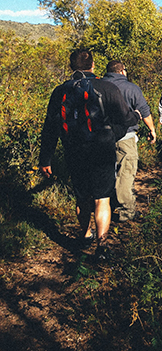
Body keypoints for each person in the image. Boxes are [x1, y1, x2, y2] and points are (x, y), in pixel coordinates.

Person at [39, 49, 139, 260]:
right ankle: (102, 246)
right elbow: (126, 119)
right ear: (93, 65)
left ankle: (85, 235)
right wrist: (115, 133)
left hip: (74, 151)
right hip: (102, 150)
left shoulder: (60, 92)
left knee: (82, 198)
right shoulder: (107, 87)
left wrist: (45, 159)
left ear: (71, 67)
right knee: (102, 199)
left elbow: (50, 127)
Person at [104, 60, 157, 222]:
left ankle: (106, 204)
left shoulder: (99, 86)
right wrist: (152, 130)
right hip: (125, 137)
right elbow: (144, 112)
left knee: (108, 172)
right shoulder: (131, 88)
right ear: (122, 71)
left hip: (101, 138)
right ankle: (126, 211)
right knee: (125, 173)